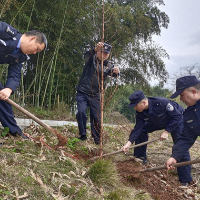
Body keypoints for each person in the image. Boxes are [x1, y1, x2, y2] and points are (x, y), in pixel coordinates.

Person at [122, 90, 193, 185]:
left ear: (143, 102)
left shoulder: (162, 103)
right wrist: (129, 143)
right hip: (158, 121)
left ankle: (185, 180)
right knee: (142, 130)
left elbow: (177, 117)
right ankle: (140, 157)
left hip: (176, 120)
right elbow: (138, 127)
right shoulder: (140, 112)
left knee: (180, 145)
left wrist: (167, 131)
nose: (134, 108)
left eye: (135, 105)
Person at [0, 21, 47, 139]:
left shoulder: (21, 56)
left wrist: (8, 89)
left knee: (3, 99)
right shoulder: (4, 31)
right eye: (36, 49)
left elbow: (15, 74)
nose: (35, 53)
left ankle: (14, 131)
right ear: (32, 39)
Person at [76, 42, 119, 144]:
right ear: (98, 52)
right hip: (83, 91)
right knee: (81, 112)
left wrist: (117, 72)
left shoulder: (109, 65)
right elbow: (86, 56)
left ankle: (97, 140)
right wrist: (95, 49)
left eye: (106, 54)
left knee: (97, 118)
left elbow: (113, 74)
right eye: (102, 52)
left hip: (96, 95)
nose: (104, 55)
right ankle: (82, 135)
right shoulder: (91, 58)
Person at [166, 75, 200, 185]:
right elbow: (186, 138)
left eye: (182, 95)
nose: (180, 99)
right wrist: (174, 157)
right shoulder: (190, 114)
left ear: (194, 92)